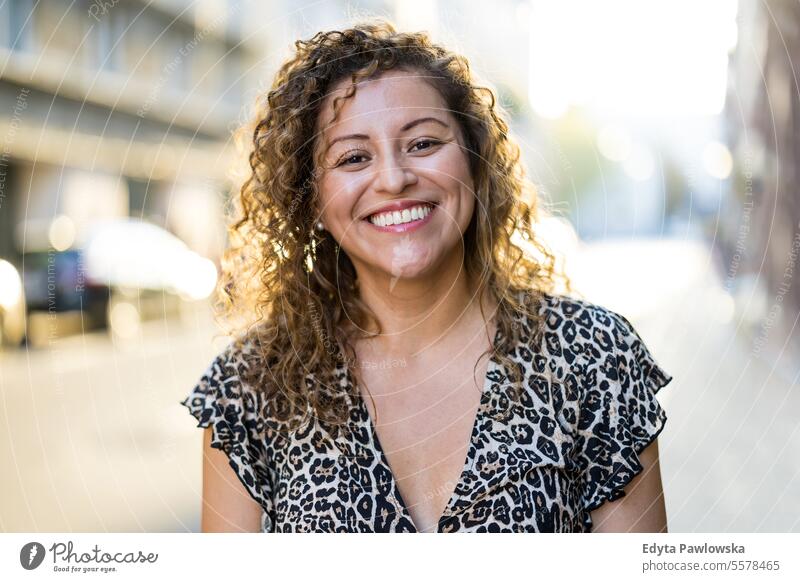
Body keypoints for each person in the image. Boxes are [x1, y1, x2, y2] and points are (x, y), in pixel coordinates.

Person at [180, 20, 673, 533]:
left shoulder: (594, 357)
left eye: (422, 144)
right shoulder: (249, 387)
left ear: (475, 162)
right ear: (313, 201)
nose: (393, 179)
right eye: (353, 157)